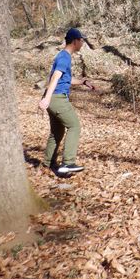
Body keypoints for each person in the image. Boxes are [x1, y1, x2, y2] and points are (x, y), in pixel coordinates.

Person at [39, 28, 95, 174]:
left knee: (56, 133)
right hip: (57, 98)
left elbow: (65, 79)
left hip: (53, 98)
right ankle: (68, 163)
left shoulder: (63, 56)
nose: (82, 43)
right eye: (81, 40)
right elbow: (55, 77)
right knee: (74, 126)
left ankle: (47, 163)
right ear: (75, 41)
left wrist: (83, 82)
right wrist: (47, 99)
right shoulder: (65, 57)